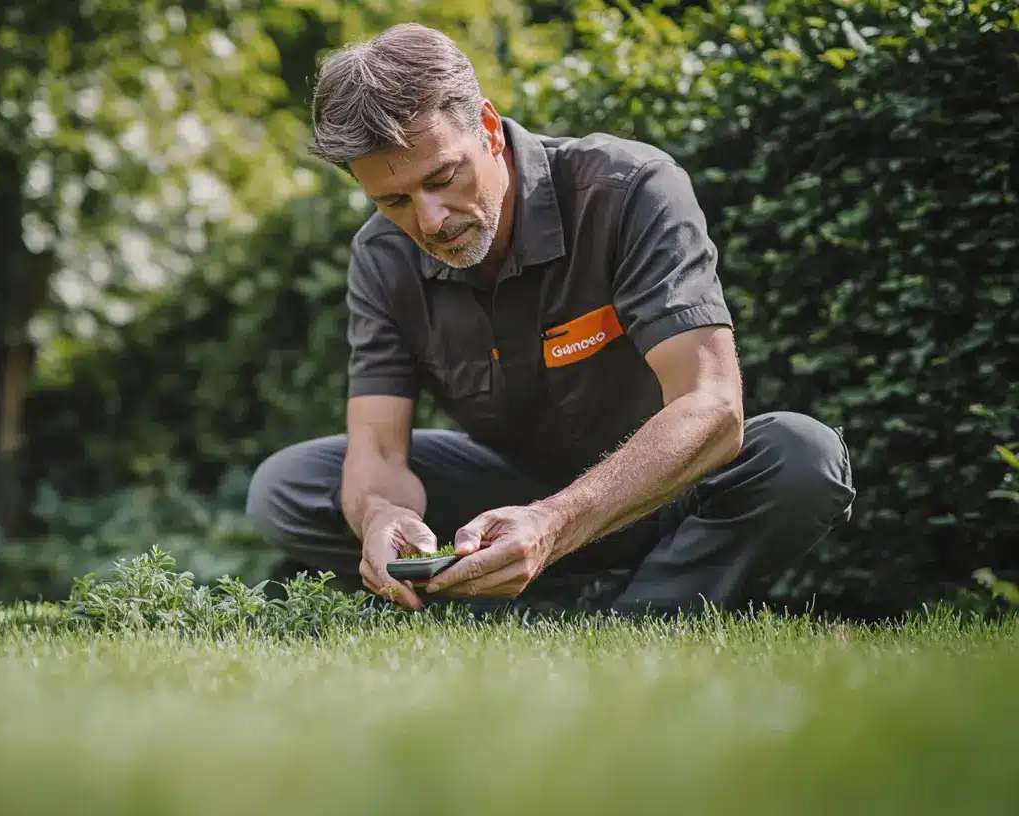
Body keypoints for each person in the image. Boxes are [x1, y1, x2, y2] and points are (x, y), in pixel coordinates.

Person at [244, 23, 856, 616]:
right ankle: (569, 602)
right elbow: (377, 448)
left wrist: (554, 522)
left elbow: (714, 408)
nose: (429, 221)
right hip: (505, 495)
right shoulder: (381, 258)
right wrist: (382, 517)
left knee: (802, 455)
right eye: (394, 201)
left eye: (442, 177)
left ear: (486, 127)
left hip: (663, 490)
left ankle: (642, 608)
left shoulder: (629, 189)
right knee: (288, 486)